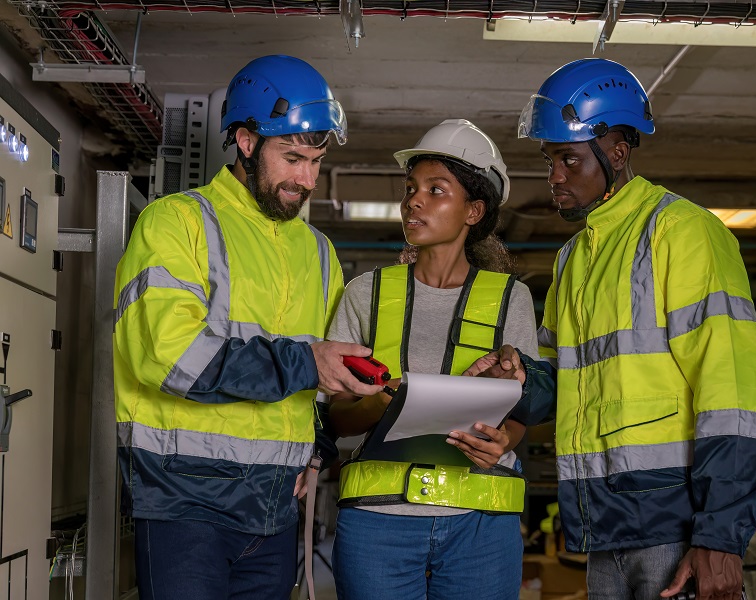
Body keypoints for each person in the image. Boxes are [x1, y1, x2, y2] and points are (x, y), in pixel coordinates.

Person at [478, 58, 756, 600]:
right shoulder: (573, 258)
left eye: (568, 159)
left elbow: (735, 389)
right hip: (601, 522)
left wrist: (720, 536)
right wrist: (519, 379)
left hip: (675, 525)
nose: (555, 178)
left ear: (616, 153)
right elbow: (570, 381)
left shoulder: (682, 233)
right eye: (550, 161)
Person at [113, 55, 383, 600]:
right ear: (244, 140)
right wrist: (307, 361)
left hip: (274, 512)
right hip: (183, 504)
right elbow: (169, 357)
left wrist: (318, 444)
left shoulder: (321, 254)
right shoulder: (176, 222)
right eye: (293, 158)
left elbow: (321, 387)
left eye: (316, 160)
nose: (306, 179)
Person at [325, 119, 552, 600]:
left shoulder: (509, 299)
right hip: (378, 522)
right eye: (410, 189)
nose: (414, 201)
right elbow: (334, 419)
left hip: (480, 527)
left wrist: (502, 440)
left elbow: (518, 411)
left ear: (474, 210)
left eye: (435, 189)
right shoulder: (365, 293)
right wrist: (387, 402)